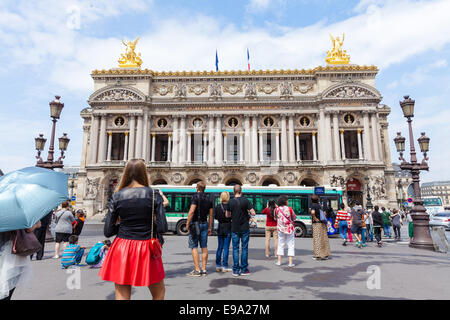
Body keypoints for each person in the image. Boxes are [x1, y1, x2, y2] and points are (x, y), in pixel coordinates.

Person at [99, 159, 166, 300]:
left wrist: (125, 225)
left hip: (122, 246)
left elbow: (108, 231)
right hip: (147, 247)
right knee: (158, 292)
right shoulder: (154, 194)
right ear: (144, 173)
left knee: (123, 295)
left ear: (126, 173)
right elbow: (162, 227)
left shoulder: (117, 196)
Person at [0, 221, 41, 300]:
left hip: (6, 252)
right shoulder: (16, 213)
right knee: (8, 285)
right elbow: (29, 228)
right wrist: (35, 224)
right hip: (12, 253)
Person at [227, 184, 256, 276]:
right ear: (241, 191)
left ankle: (235, 270)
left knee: (235, 248)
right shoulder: (246, 200)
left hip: (234, 228)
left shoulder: (230, 202)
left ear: (233, 192)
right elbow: (253, 213)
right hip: (244, 228)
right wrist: (247, 211)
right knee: (244, 248)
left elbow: (227, 215)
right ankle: (244, 270)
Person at [186, 181, 213, 277]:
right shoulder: (209, 199)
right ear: (204, 188)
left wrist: (187, 223)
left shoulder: (195, 197)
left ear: (197, 188)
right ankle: (204, 269)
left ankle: (197, 270)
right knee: (204, 246)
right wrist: (210, 227)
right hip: (205, 224)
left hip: (195, 224)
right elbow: (210, 215)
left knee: (194, 246)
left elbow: (191, 211)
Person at [275, 196, 296, 267]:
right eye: (287, 200)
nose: (288, 201)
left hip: (280, 229)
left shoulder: (276, 209)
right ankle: (290, 263)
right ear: (285, 201)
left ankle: (279, 261)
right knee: (291, 245)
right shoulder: (289, 209)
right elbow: (294, 217)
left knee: (280, 244)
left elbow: (275, 218)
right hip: (289, 229)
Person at [213, 191, 232, 272]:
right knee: (226, 247)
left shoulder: (217, 206)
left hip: (220, 227)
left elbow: (216, 217)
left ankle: (218, 265)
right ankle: (224, 266)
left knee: (220, 247)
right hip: (228, 227)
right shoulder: (230, 206)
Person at [310, 194, 331, 260]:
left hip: (317, 224)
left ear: (311, 200)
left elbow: (313, 212)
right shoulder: (320, 205)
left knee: (317, 239)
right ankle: (325, 254)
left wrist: (314, 218)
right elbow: (324, 213)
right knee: (323, 239)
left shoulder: (313, 206)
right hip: (322, 223)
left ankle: (318, 255)